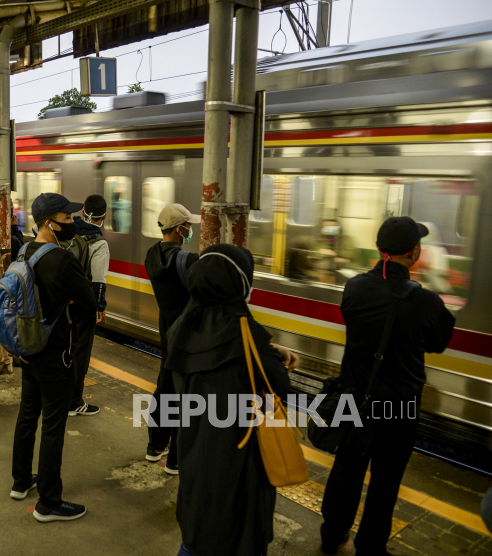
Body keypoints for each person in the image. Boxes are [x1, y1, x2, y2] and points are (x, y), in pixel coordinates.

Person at [321, 216, 456, 556]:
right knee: (386, 480)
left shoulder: (354, 288)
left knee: (347, 469)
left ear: (380, 250)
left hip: (356, 400)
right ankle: (370, 547)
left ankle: (332, 536)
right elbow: (438, 342)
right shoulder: (427, 303)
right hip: (400, 408)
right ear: (415, 253)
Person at [165, 244, 297, 556]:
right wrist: (272, 356)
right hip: (240, 464)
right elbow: (281, 394)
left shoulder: (180, 329)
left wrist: (268, 351)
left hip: (194, 452)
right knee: (238, 535)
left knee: (197, 532)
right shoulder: (249, 339)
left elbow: (212, 356)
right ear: (239, 284)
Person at [10, 192, 96, 522]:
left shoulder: (24, 250)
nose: (73, 222)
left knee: (28, 414)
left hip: (28, 349)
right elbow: (88, 304)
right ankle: (49, 501)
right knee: (54, 426)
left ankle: (20, 481)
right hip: (55, 353)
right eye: (68, 219)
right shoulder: (61, 260)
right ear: (51, 223)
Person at [143, 203, 201, 474]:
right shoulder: (189, 261)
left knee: (165, 386)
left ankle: (155, 445)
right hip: (188, 337)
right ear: (180, 229)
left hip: (166, 330)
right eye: (188, 226)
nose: (190, 230)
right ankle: (176, 460)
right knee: (185, 396)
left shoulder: (151, 255)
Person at [68, 194, 110, 417]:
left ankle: (61, 397)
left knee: (65, 348)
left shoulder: (68, 230)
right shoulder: (98, 242)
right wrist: (99, 308)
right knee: (80, 352)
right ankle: (74, 403)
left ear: (83, 212)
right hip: (83, 306)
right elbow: (99, 281)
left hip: (62, 302)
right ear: (103, 217)